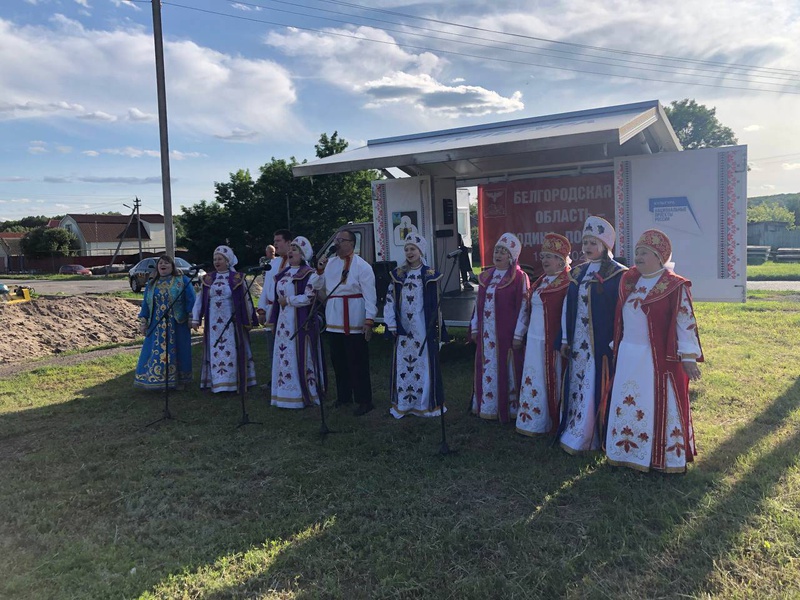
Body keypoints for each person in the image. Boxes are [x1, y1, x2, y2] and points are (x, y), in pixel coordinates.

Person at [605, 229, 702, 473]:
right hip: (628, 354)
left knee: (653, 401)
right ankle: (625, 450)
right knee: (628, 400)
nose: (638, 257)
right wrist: (617, 343)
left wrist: (688, 356)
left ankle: (657, 457)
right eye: (637, 252)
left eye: (644, 253)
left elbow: (684, 320)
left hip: (654, 357)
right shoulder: (629, 280)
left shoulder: (674, 285)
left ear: (660, 258)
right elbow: (621, 316)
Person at [557, 216, 627, 454]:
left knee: (597, 382)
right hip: (579, 343)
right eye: (585, 242)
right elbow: (568, 307)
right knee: (578, 383)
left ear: (605, 246)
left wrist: (617, 340)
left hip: (602, 344)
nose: (587, 247)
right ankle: (575, 429)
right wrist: (565, 339)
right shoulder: (578, 272)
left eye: (593, 243)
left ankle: (594, 433)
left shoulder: (618, 274)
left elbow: (621, 310)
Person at [513, 233, 571, 436]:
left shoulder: (567, 283)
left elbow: (568, 315)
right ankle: (532, 421)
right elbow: (527, 308)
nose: (544, 260)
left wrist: (564, 340)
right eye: (543, 256)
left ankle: (551, 421)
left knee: (550, 379)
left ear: (561, 260)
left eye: (549, 257)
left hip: (550, 342)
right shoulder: (541, 281)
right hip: (534, 340)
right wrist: (520, 333)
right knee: (534, 377)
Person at [383, 234, 445, 418]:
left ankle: (423, 403)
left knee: (423, 364)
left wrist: (438, 330)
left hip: (421, 328)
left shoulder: (430, 275)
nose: (409, 252)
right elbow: (390, 299)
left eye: (413, 249)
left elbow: (436, 305)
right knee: (404, 364)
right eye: (406, 249)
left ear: (420, 251)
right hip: (403, 329)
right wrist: (391, 324)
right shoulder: (398, 274)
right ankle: (405, 403)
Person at [469, 232, 529, 423]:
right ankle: (487, 405)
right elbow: (478, 305)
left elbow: (524, 307)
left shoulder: (519, 277)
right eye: (497, 251)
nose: (498, 255)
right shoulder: (486, 276)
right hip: (487, 335)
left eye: (503, 252)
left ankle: (509, 408)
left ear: (511, 256)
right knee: (487, 366)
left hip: (506, 334)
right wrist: (475, 327)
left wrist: (519, 334)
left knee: (507, 367)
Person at [316, 229, 377, 416]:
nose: (337, 243)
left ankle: (364, 400)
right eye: (336, 239)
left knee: (357, 361)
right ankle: (344, 397)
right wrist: (319, 269)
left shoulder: (362, 266)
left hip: (354, 317)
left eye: (341, 240)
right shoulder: (329, 264)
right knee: (338, 360)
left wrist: (369, 320)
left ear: (351, 243)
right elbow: (317, 286)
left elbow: (370, 296)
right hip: (334, 318)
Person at [267, 236, 326, 409]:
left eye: (295, 249)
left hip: (300, 322)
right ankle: (284, 392)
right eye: (290, 248)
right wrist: (273, 321)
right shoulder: (283, 274)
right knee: (284, 355)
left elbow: (309, 297)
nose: (291, 251)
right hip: (284, 324)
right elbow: (277, 301)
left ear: (303, 254)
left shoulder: (309, 273)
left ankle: (302, 393)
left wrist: (289, 300)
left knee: (299, 354)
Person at [191, 245, 258, 393]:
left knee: (232, 349)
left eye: (220, 259)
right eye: (215, 259)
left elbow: (246, 299)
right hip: (213, 323)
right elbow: (200, 299)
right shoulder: (208, 279)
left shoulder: (237, 278)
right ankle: (218, 382)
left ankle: (233, 382)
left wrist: (249, 319)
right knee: (216, 349)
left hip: (232, 322)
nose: (216, 261)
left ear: (228, 261)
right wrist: (196, 318)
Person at [134, 255, 196, 390]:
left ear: (172, 266)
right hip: (156, 324)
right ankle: (157, 379)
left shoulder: (182, 281)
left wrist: (192, 318)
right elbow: (146, 304)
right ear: (157, 267)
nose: (163, 265)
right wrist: (143, 322)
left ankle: (180, 380)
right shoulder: (152, 284)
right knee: (154, 351)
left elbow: (191, 299)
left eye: (166, 263)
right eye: (160, 263)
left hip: (177, 323)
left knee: (180, 350)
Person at [256, 230, 292, 389]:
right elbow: (266, 288)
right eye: (274, 241)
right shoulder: (273, 264)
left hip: (287, 310)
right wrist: (261, 309)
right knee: (272, 347)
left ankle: (289, 378)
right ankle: (274, 380)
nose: (275, 244)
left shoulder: (295, 263)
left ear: (289, 242)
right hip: (271, 309)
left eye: (278, 241)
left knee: (287, 346)